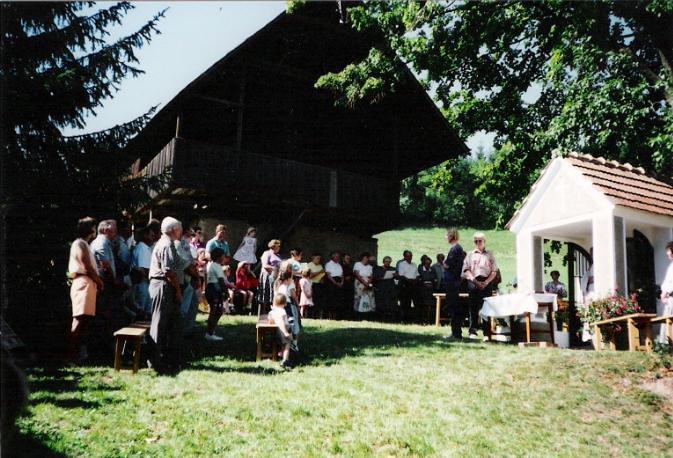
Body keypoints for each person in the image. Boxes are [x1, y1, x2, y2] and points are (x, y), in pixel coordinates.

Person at [147, 217, 186, 374]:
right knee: (159, 322)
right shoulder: (167, 244)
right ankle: (155, 361)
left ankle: (164, 358)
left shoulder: (166, 243)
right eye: (180, 229)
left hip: (163, 284)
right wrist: (178, 290)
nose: (181, 231)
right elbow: (169, 271)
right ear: (174, 230)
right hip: (162, 285)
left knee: (166, 322)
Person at [67, 217, 104, 363]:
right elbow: (86, 266)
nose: (95, 230)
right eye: (94, 227)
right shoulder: (79, 243)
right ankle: (71, 356)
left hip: (88, 284)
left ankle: (79, 355)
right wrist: (99, 282)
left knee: (85, 321)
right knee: (79, 320)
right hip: (83, 283)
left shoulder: (85, 244)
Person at [462, 231, 498, 339]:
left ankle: (487, 333)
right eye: (476, 241)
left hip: (486, 282)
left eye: (480, 241)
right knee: (473, 307)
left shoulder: (490, 254)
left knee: (486, 308)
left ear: (484, 241)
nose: (478, 243)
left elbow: (494, 271)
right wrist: (475, 281)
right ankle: (472, 331)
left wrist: (486, 282)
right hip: (473, 281)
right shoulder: (470, 254)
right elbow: (466, 270)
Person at [444, 228, 466, 340]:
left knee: (453, 307)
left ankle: (456, 333)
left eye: (447, 235)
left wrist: (443, 264)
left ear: (451, 236)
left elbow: (448, 265)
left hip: (452, 282)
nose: (445, 238)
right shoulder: (459, 249)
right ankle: (456, 332)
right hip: (455, 281)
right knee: (455, 307)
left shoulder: (454, 249)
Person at [204, 247, 229, 341]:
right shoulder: (217, 266)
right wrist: (225, 292)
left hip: (211, 289)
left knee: (217, 311)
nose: (225, 258)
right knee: (215, 311)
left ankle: (211, 331)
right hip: (214, 290)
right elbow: (221, 280)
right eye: (223, 256)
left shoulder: (212, 265)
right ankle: (209, 333)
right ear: (219, 257)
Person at [131, 225, 155, 319]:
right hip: (142, 284)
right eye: (151, 235)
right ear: (145, 235)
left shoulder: (145, 248)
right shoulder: (142, 249)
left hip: (145, 283)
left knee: (146, 311)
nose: (153, 237)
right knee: (141, 311)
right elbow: (143, 270)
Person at [268, 293, 293, 369]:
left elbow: (270, 321)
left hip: (277, 330)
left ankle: (281, 354)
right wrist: (286, 332)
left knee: (283, 343)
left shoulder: (272, 312)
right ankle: (285, 360)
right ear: (285, 303)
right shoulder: (282, 311)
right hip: (284, 329)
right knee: (287, 344)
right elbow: (282, 321)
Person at [257, 239, 282, 312]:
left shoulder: (278, 256)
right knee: (266, 293)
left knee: (274, 293)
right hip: (267, 276)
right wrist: (275, 268)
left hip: (276, 276)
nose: (279, 248)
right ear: (273, 246)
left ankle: (274, 309)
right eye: (278, 246)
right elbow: (265, 265)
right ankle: (264, 311)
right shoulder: (267, 253)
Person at [396, 250, 419, 321]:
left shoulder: (414, 264)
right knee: (405, 303)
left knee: (415, 302)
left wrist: (415, 280)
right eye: (408, 256)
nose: (409, 257)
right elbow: (401, 275)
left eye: (411, 256)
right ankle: (404, 319)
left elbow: (417, 274)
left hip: (414, 285)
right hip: (405, 285)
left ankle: (413, 318)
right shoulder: (401, 264)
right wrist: (409, 281)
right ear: (404, 257)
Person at [373, 256, 398, 321]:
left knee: (389, 304)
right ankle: (380, 318)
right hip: (381, 288)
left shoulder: (392, 269)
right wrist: (382, 278)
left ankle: (389, 318)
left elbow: (397, 278)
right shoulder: (378, 269)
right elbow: (375, 278)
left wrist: (396, 275)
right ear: (383, 261)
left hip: (390, 289)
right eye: (386, 261)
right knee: (381, 304)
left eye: (389, 262)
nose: (388, 263)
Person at [353, 252, 376, 318]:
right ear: (362, 258)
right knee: (358, 297)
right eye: (365, 258)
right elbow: (357, 274)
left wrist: (367, 284)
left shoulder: (370, 267)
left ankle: (370, 313)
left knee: (370, 297)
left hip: (368, 283)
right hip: (360, 282)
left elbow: (371, 276)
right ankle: (357, 313)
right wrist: (364, 283)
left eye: (367, 258)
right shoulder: (357, 264)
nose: (366, 259)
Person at [659, 241, 673, 341]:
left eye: (668, 250)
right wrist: (663, 293)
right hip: (670, 299)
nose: (667, 253)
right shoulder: (671, 266)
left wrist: (666, 292)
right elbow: (666, 282)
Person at [324, 251, 344, 319]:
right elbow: (328, 275)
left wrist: (342, 282)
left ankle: (336, 316)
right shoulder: (328, 264)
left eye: (338, 256)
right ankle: (330, 316)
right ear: (332, 256)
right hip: (332, 283)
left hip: (339, 282)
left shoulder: (339, 265)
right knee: (331, 300)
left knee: (338, 300)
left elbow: (342, 275)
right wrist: (335, 283)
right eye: (336, 256)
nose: (338, 258)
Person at [417, 255, 438, 320]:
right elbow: (419, 279)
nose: (428, 265)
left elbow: (435, 279)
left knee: (431, 304)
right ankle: (422, 318)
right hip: (423, 289)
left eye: (429, 264)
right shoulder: (420, 269)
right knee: (423, 304)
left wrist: (432, 284)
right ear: (424, 263)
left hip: (431, 289)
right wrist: (424, 284)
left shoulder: (432, 269)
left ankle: (429, 318)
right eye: (426, 263)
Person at [341, 253, 354, 319]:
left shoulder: (350, 267)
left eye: (349, 259)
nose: (348, 260)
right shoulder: (340, 267)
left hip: (349, 287)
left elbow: (353, 276)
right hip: (343, 287)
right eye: (347, 258)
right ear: (343, 259)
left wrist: (350, 277)